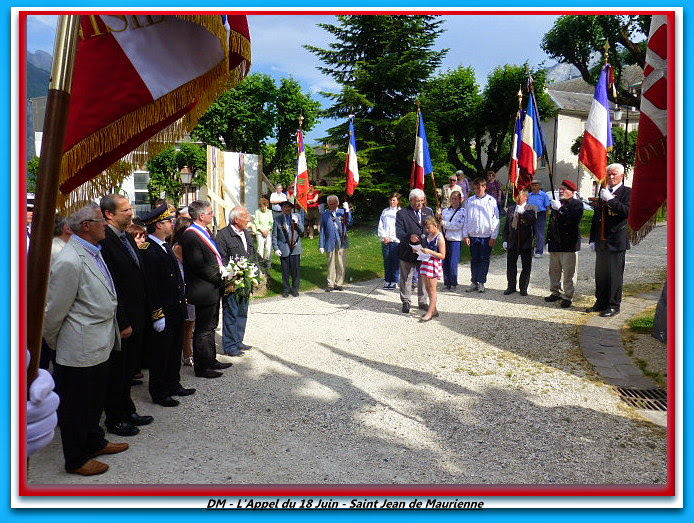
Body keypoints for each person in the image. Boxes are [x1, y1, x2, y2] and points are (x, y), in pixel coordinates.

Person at [44, 203, 128, 476]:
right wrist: (58, 343)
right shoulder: (70, 259)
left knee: (94, 400)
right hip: (78, 345)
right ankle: (76, 458)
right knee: (77, 405)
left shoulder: (92, 251)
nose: (105, 223)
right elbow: (54, 311)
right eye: (99, 220)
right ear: (85, 226)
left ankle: (94, 441)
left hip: (97, 342)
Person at [99, 194, 154, 437]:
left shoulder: (125, 237)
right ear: (109, 214)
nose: (131, 213)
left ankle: (127, 408)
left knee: (130, 368)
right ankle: (115, 417)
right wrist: (122, 321)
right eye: (125, 210)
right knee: (118, 371)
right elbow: (112, 286)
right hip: (123, 318)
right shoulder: (105, 240)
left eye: (130, 208)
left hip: (137, 314)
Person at [138, 204, 196, 408]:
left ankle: (173, 383)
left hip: (175, 308)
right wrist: (157, 314)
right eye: (168, 221)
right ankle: (159, 391)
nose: (172, 224)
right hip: (163, 310)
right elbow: (150, 286)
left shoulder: (164, 245)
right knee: (161, 353)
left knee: (173, 350)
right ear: (158, 225)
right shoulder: (148, 250)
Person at [180, 200, 233, 379]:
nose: (212, 215)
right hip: (202, 289)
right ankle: (202, 367)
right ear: (201, 216)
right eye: (210, 213)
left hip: (212, 287)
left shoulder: (205, 231)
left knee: (211, 326)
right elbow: (198, 264)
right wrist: (220, 277)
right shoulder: (191, 235)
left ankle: (211, 359)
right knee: (202, 330)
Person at [586, 163, 632, 317]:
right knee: (601, 274)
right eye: (609, 174)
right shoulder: (603, 191)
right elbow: (597, 218)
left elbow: (627, 212)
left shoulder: (627, 192)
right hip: (602, 240)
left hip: (616, 240)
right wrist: (592, 239)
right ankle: (600, 302)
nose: (611, 177)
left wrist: (611, 200)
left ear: (622, 176)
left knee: (614, 275)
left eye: (614, 174)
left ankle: (613, 305)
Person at [216, 206, 258, 356]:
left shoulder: (245, 233)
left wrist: (256, 273)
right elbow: (221, 258)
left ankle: (238, 340)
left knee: (242, 311)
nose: (248, 220)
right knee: (231, 312)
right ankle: (229, 345)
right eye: (246, 217)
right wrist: (232, 275)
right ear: (236, 219)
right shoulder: (223, 235)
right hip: (232, 281)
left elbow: (252, 253)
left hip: (246, 279)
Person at [545, 179, 584, 308]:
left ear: (572, 192)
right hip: (556, 243)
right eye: (560, 189)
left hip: (569, 244)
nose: (561, 191)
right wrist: (548, 240)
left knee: (569, 272)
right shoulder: (558, 203)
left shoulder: (577, 204)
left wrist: (560, 209)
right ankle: (555, 292)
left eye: (564, 189)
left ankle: (568, 296)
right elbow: (552, 224)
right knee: (554, 270)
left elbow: (573, 221)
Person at [395, 188, 433, 313]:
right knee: (406, 277)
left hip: (423, 249)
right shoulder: (402, 213)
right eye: (417, 201)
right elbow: (399, 232)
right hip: (408, 249)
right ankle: (406, 301)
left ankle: (422, 301)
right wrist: (409, 236)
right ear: (411, 200)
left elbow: (432, 229)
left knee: (423, 277)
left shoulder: (428, 211)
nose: (420, 203)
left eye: (422, 201)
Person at [463, 177, 500, 293]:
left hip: (486, 236)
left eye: (480, 187)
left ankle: (481, 282)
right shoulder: (470, 201)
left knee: (484, 259)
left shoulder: (491, 201)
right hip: (473, 235)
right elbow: (466, 219)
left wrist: (494, 236)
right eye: (475, 188)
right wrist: (466, 235)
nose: (478, 190)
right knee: (474, 259)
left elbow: (496, 219)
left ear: (485, 187)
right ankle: (474, 281)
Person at [502, 189, 537, 296]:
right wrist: (505, 239)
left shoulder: (532, 208)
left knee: (526, 266)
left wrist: (523, 212)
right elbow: (507, 226)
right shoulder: (511, 209)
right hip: (513, 241)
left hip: (526, 242)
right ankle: (511, 286)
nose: (516, 197)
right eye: (516, 195)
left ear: (525, 197)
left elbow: (532, 220)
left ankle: (523, 287)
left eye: (519, 195)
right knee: (511, 265)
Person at [171, 217, 194, 367]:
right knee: (188, 325)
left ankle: (188, 351)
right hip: (185, 286)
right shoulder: (178, 247)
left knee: (191, 323)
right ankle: (186, 353)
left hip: (189, 285)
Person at [319, 195, 353, 292]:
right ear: (328, 205)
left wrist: (347, 211)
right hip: (330, 241)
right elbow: (322, 231)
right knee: (331, 262)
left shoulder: (342, 212)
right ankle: (330, 283)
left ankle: (339, 283)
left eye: (334, 203)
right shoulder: (325, 214)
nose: (333, 206)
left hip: (341, 241)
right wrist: (321, 245)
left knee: (341, 262)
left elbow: (349, 222)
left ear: (338, 203)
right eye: (330, 204)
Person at [272, 200, 304, 297]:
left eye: (288, 207)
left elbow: (302, 231)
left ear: (291, 208)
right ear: (282, 209)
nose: (286, 209)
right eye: (284, 207)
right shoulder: (278, 219)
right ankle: (286, 289)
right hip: (284, 247)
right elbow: (274, 235)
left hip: (295, 247)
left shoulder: (296, 216)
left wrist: (297, 223)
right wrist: (276, 248)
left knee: (295, 270)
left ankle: (295, 289)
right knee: (285, 271)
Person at [417, 216, 446, 322]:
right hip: (426, 262)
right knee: (428, 288)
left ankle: (430, 312)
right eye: (426, 228)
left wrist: (430, 252)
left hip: (433, 264)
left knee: (432, 289)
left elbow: (442, 255)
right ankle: (434, 309)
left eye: (429, 228)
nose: (427, 230)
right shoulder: (429, 235)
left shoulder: (439, 237)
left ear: (436, 226)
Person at [440, 190, 465, 291]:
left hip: (455, 239)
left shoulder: (462, 212)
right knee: (445, 262)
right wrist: (439, 217)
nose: (454, 201)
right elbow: (439, 223)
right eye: (452, 198)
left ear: (460, 199)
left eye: (456, 198)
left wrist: (444, 223)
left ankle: (453, 283)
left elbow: (457, 226)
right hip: (445, 239)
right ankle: (447, 283)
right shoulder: (445, 211)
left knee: (453, 262)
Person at [377, 193, 401, 289]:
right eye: (391, 200)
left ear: (398, 201)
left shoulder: (400, 212)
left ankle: (395, 280)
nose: (392, 202)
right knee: (387, 261)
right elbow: (381, 225)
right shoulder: (385, 211)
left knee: (395, 261)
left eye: (394, 200)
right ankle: (387, 280)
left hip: (395, 240)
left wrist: (393, 237)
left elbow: (399, 227)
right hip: (386, 240)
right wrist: (385, 236)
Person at [527, 179, 551, 257]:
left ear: (539, 186)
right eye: (532, 185)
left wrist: (546, 215)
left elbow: (547, 206)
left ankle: (539, 251)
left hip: (541, 214)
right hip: (531, 214)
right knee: (530, 232)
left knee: (539, 233)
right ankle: (529, 250)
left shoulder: (543, 195)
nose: (533, 187)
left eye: (535, 185)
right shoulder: (529, 195)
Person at [253, 197, 274, 273]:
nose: (264, 208)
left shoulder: (269, 212)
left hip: (268, 232)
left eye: (265, 206)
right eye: (262, 206)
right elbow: (256, 222)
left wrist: (267, 230)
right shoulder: (257, 212)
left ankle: (267, 263)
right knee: (260, 248)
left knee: (268, 248)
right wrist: (262, 231)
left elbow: (271, 223)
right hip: (260, 232)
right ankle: (260, 263)